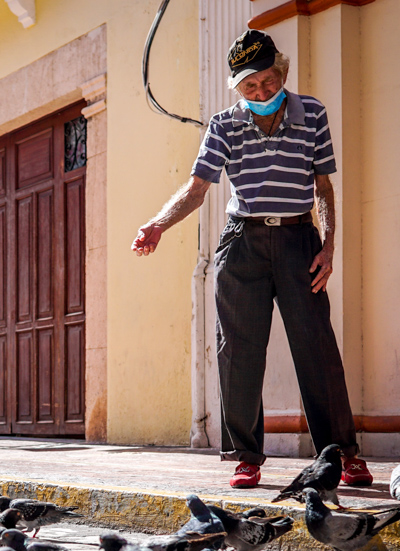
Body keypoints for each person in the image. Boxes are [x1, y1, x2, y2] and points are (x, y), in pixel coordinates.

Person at [131, 29, 372, 489]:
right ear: (236, 87)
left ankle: (343, 453)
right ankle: (246, 456)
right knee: (238, 351)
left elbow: (323, 188)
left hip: (301, 241)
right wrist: (158, 224)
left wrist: (329, 246)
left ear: (281, 73)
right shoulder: (223, 125)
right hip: (242, 243)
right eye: (249, 86)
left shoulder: (313, 114)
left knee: (317, 348)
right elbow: (197, 188)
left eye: (266, 81)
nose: (260, 93)